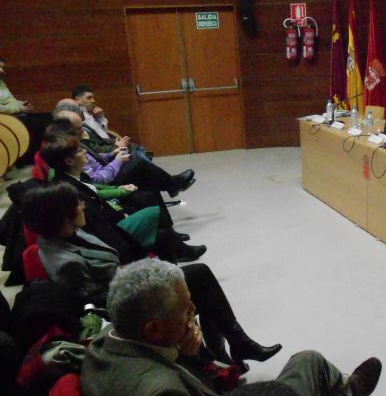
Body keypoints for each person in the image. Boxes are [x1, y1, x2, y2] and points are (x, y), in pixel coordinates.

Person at [81, 259, 382, 396]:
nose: (195, 312)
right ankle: (346, 394)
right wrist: (195, 356)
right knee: (311, 364)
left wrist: (188, 349)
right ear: (154, 329)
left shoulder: (110, 338)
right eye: (186, 310)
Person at [21, 183, 281, 365]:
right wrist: (143, 277)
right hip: (128, 305)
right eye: (77, 204)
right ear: (63, 215)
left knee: (198, 282)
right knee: (198, 278)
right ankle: (232, 345)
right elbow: (98, 302)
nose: (82, 206)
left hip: (126, 283)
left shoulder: (69, 235)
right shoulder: (66, 261)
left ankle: (226, 347)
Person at [39, 129, 205, 263]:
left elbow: (96, 189)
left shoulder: (72, 176)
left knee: (147, 194)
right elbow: (97, 218)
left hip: (111, 209)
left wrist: (120, 188)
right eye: (79, 150)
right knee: (151, 207)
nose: (84, 152)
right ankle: (176, 247)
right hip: (111, 230)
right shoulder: (69, 190)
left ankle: (175, 245)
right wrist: (120, 209)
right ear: (69, 161)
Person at [52, 102, 195, 197]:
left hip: (106, 169)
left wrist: (110, 155)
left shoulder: (73, 141)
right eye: (78, 128)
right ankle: (173, 184)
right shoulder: (67, 149)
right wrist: (117, 161)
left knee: (147, 177)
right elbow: (96, 179)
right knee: (138, 163)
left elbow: (96, 155)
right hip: (104, 184)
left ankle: (171, 192)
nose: (82, 131)